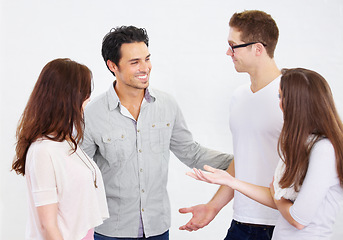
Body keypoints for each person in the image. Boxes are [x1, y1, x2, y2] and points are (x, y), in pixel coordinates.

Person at [81, 25, 234, 240]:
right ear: (112, 65)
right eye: (135, 62)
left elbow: (192, 153)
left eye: (147, 58)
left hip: (157, 229)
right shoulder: (93, 114)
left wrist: (239, 164)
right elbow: (80, 173)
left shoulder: (167, 105)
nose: (145, 67)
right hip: (112, 231)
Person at [188, 68, 343, 240]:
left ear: (296, 103)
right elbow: (280, 200)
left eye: (281, 97)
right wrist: (230, 181)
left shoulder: (325, 150)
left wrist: (277, 196)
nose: (279, 104)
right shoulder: (303, 144)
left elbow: (298, 219)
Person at [179, 10, 283, 239]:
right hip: (241, 223)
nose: (228, 52)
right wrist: (213, 207)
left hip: (281, 226)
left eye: (233, 45)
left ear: (258, 48)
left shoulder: (292, 94)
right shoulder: (239, 96)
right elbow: (243, 159)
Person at [12, 58, 109, 240]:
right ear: (68, 98)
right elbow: (47, 226)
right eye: (85, 94)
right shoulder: (43, 150)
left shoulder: (67, 141)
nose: (88, 100)